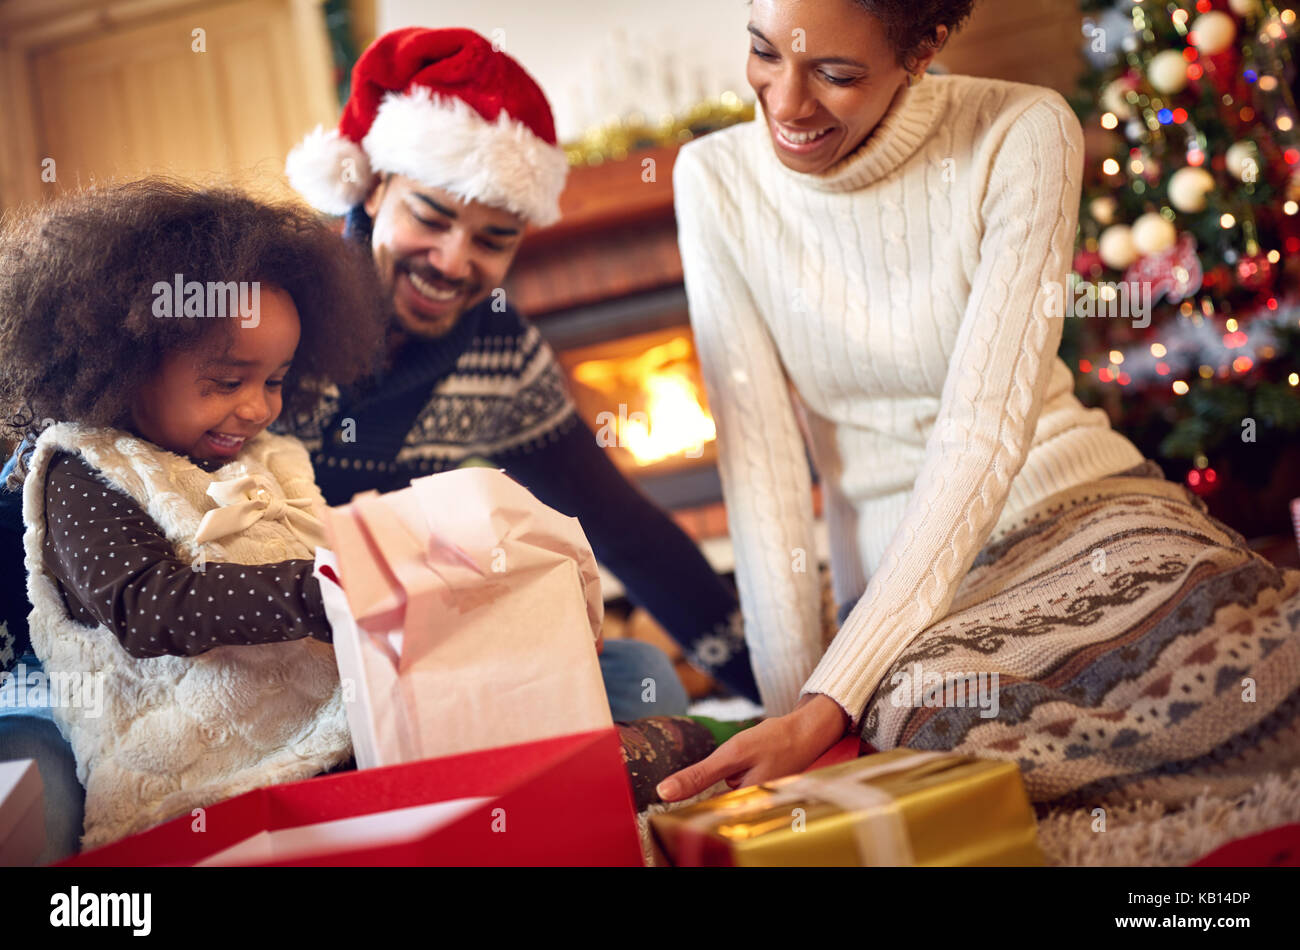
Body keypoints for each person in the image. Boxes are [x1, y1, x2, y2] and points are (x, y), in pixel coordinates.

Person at [657, 0, 1300, 806]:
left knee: (1247, 658)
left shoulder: (1022, 130)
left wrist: (825, 707)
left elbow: (981, 434)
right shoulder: (715, 180)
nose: (785, 103)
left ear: (921, 49)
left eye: (835, 74)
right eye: (764, 53)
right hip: (902, 590)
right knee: (980, 761)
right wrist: (803, 716)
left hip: (1079, 505)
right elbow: (763, 478)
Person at [282, 26, 761, 714]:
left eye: (492, 240)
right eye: (432, 217)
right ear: (374, 188)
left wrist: (788, 694)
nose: (452, 262)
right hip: (277, 642)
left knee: (639, 677)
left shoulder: (502, 357)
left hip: (410, 649)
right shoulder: (282, 315)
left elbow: (623, 528)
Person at [0, 180, 387, 849]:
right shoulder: (81, 473)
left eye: (275, 380)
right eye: (226, 382)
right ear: (124, 365)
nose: (258, 408)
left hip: (313, 746)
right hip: (182, 791)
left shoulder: (262, 457)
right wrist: (322, 587)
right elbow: (149, 608)